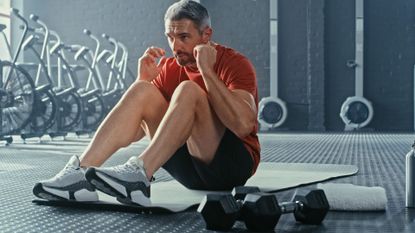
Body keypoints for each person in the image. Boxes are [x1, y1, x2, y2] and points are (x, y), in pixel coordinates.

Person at [33, 0, 260, 206]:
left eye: (183, 37)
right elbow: (134, 133)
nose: (175, 46)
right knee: (143, 89)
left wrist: (207, 72)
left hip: (231, 167)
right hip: (190, 173)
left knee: (189, 90)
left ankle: (139, 175)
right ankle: (79, 174)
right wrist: (143, 81)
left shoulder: (233, 62)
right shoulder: (172, 68)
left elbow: (243, 125)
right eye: (170, 37)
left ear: (206, 34)